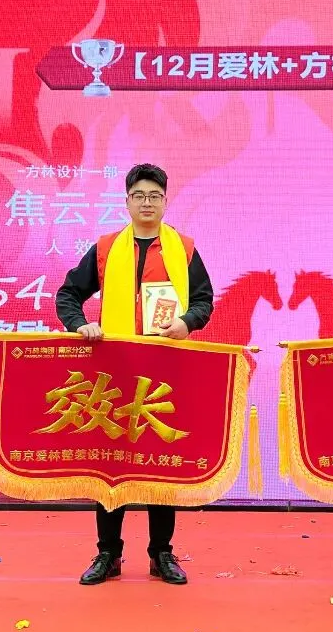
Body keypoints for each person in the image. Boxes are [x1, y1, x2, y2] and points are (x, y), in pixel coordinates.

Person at [55, 163, 214, 586]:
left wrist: (186, 322)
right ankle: (108, 553)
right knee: (111, 466)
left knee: (162, 463)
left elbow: (204, 301)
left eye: (154, 196)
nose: (147, 202)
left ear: (165, 201)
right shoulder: (106, 248)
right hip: (115, 375)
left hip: (165, 374)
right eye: (139, 195)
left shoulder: (184, 249)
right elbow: (68, 294)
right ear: (126, 202)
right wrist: (80, 325)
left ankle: (162, 553)